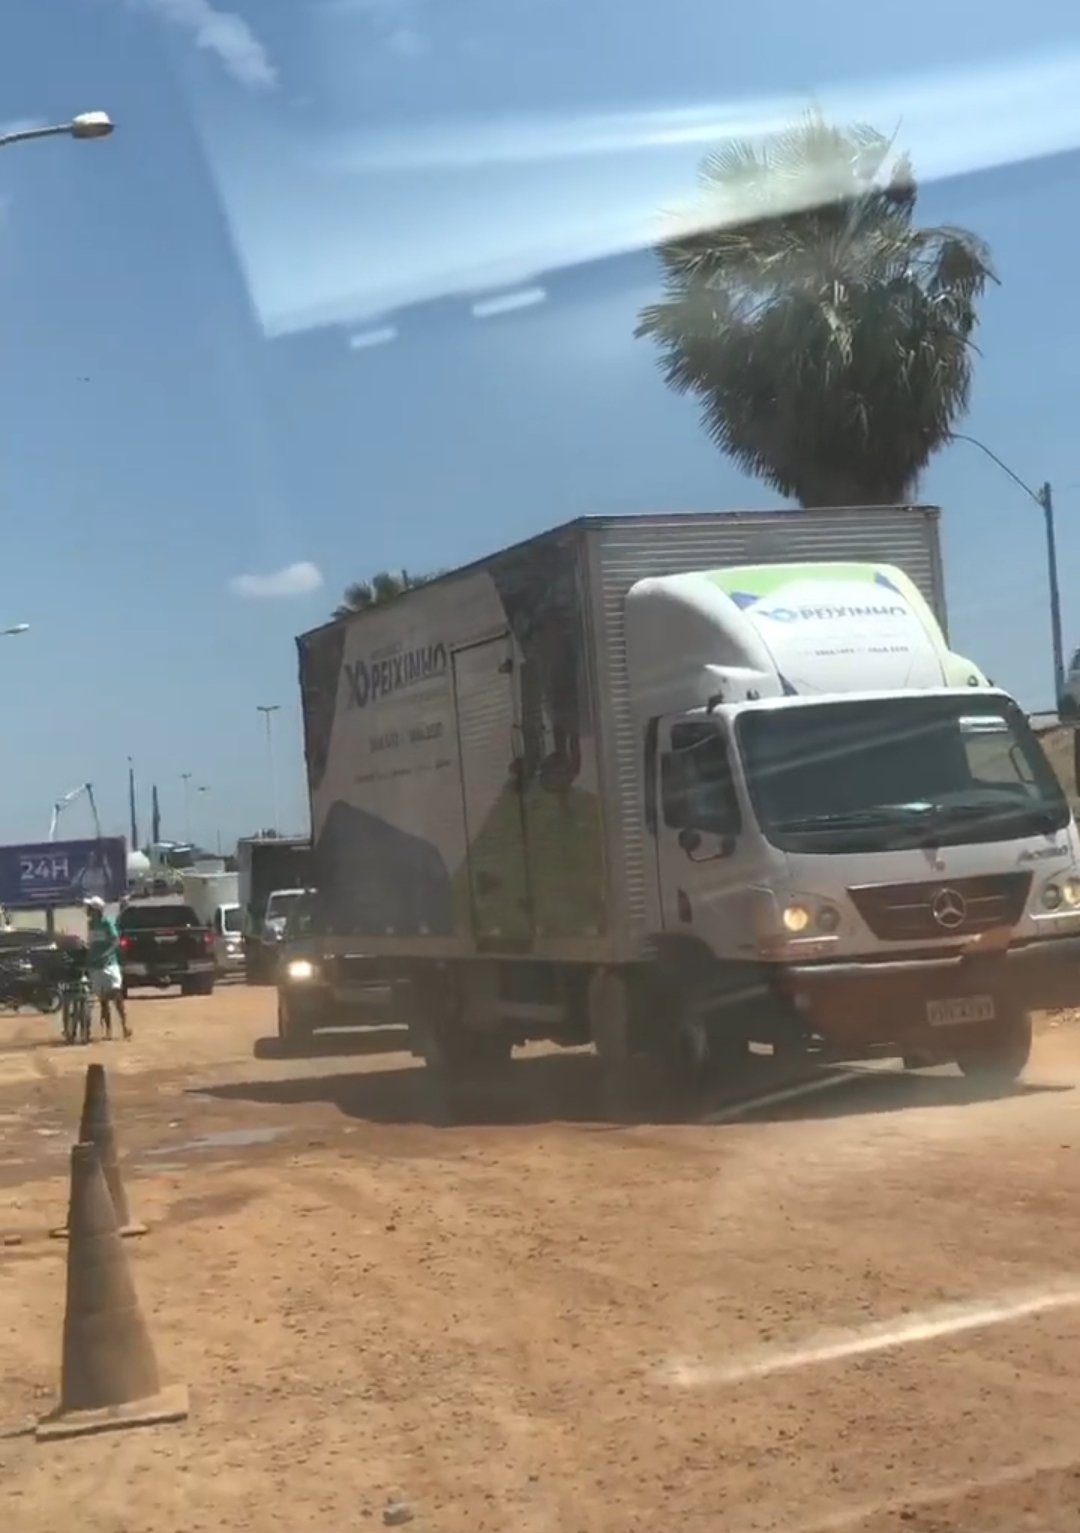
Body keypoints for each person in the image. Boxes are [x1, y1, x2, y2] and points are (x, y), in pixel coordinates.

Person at [83, 895, 131, 1040]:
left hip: (109, 964)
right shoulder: (91, 924)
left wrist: (106, 954)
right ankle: (108, 1031)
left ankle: (124, 1026)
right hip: (96, 966)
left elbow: (115, 941)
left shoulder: (107, 923)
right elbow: (91, 943)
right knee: (103, 1001)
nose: (87, 910)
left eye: (90, 908)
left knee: (117, 996)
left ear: (96, 910)